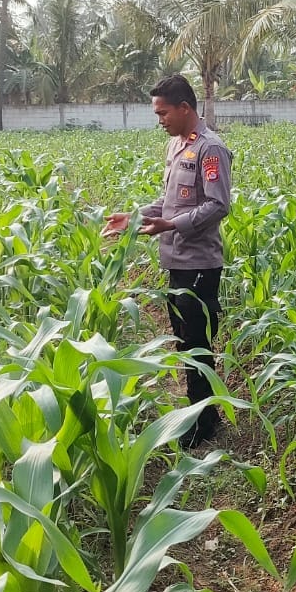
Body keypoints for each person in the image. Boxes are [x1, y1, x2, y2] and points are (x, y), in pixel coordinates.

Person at [103, 75, 233, 448]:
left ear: (184, 108)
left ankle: (204, 423)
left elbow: (217, 205)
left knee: (196, 343)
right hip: (176, 260)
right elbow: (170, 203)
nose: (159, 119)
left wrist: (170, 225)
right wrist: (134, 217)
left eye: (163, 113)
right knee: (184, 342)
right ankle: (202, 414)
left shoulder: (210, 149)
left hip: (199, 264)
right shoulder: (177, 147)